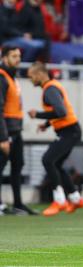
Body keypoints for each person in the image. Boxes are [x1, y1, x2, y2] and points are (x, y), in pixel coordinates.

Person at [27, 62, 83, 216]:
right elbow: (58, 112)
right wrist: (46, 124)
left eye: (31, 76)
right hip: (69, 131)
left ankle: (59, 201)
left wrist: (38, 115)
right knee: (57, 164)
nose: (30, 79)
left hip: (69, 131)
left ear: (40, 74)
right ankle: (76, 198)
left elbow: (61, 112)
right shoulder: (52, 86)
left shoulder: (49, 89)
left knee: (47, 160)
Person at [0, 46, 37, 216]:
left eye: (19, 56)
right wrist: (3, 137)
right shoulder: (2, 77)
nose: (17, 59)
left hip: (16, 131)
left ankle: (18, 204)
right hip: (6, 132)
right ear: (4, 58)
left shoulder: (12, 77)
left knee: (18, 166)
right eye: (13, 56)